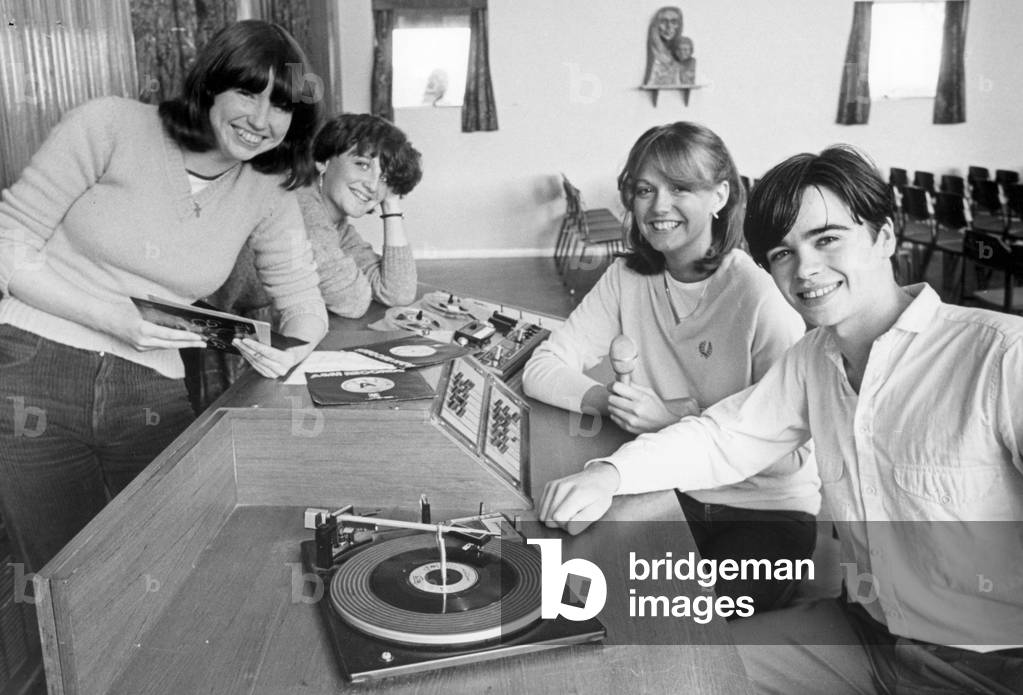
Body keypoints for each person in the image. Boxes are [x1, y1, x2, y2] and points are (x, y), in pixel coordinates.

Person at [539, 146, 1023, 694]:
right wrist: (610, 474)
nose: (805, 269)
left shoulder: (1002, 357)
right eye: (783, 252)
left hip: (989, 664)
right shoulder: (814, 357)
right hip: (863, 635)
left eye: (827, 239)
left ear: (885, 236)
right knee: (659, 671)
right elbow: (724, 436)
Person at [0, 20, 328, 572]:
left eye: (282, 105)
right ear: (210, 85)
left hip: (152, 384)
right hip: (35, 362)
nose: (261, 119)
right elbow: (8, 244)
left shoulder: (268, 190)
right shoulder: (108, 124)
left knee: (166, 567)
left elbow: (304, 301)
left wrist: (291, 349)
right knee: (57, 578)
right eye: (247, 92)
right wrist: (111, 317)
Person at [523, 122, 818, 613]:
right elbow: (543, 365)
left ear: (721, 194)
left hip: (764, 510)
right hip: (667, 484)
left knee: (671, 615)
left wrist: (670, 420)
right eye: (644, 189)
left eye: (681, 187)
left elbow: (789, 456)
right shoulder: (627, 276)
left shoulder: (761, 296)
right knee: (566, 595)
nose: (659, 206)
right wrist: (609, 403)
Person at [211, 112, 423, 320]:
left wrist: (391, 201)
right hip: (199, 331)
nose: (373, 185)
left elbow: (398, 292)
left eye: (384, 177)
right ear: (324, 161)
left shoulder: (338, 227)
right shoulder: (298, 202)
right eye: (362, 165)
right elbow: (352, 301)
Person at [644, 6, 686, 86]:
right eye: (663, 22)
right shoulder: (655, 52)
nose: (669, 27)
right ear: (656, 25)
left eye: (674, 22)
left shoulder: (679, 51)